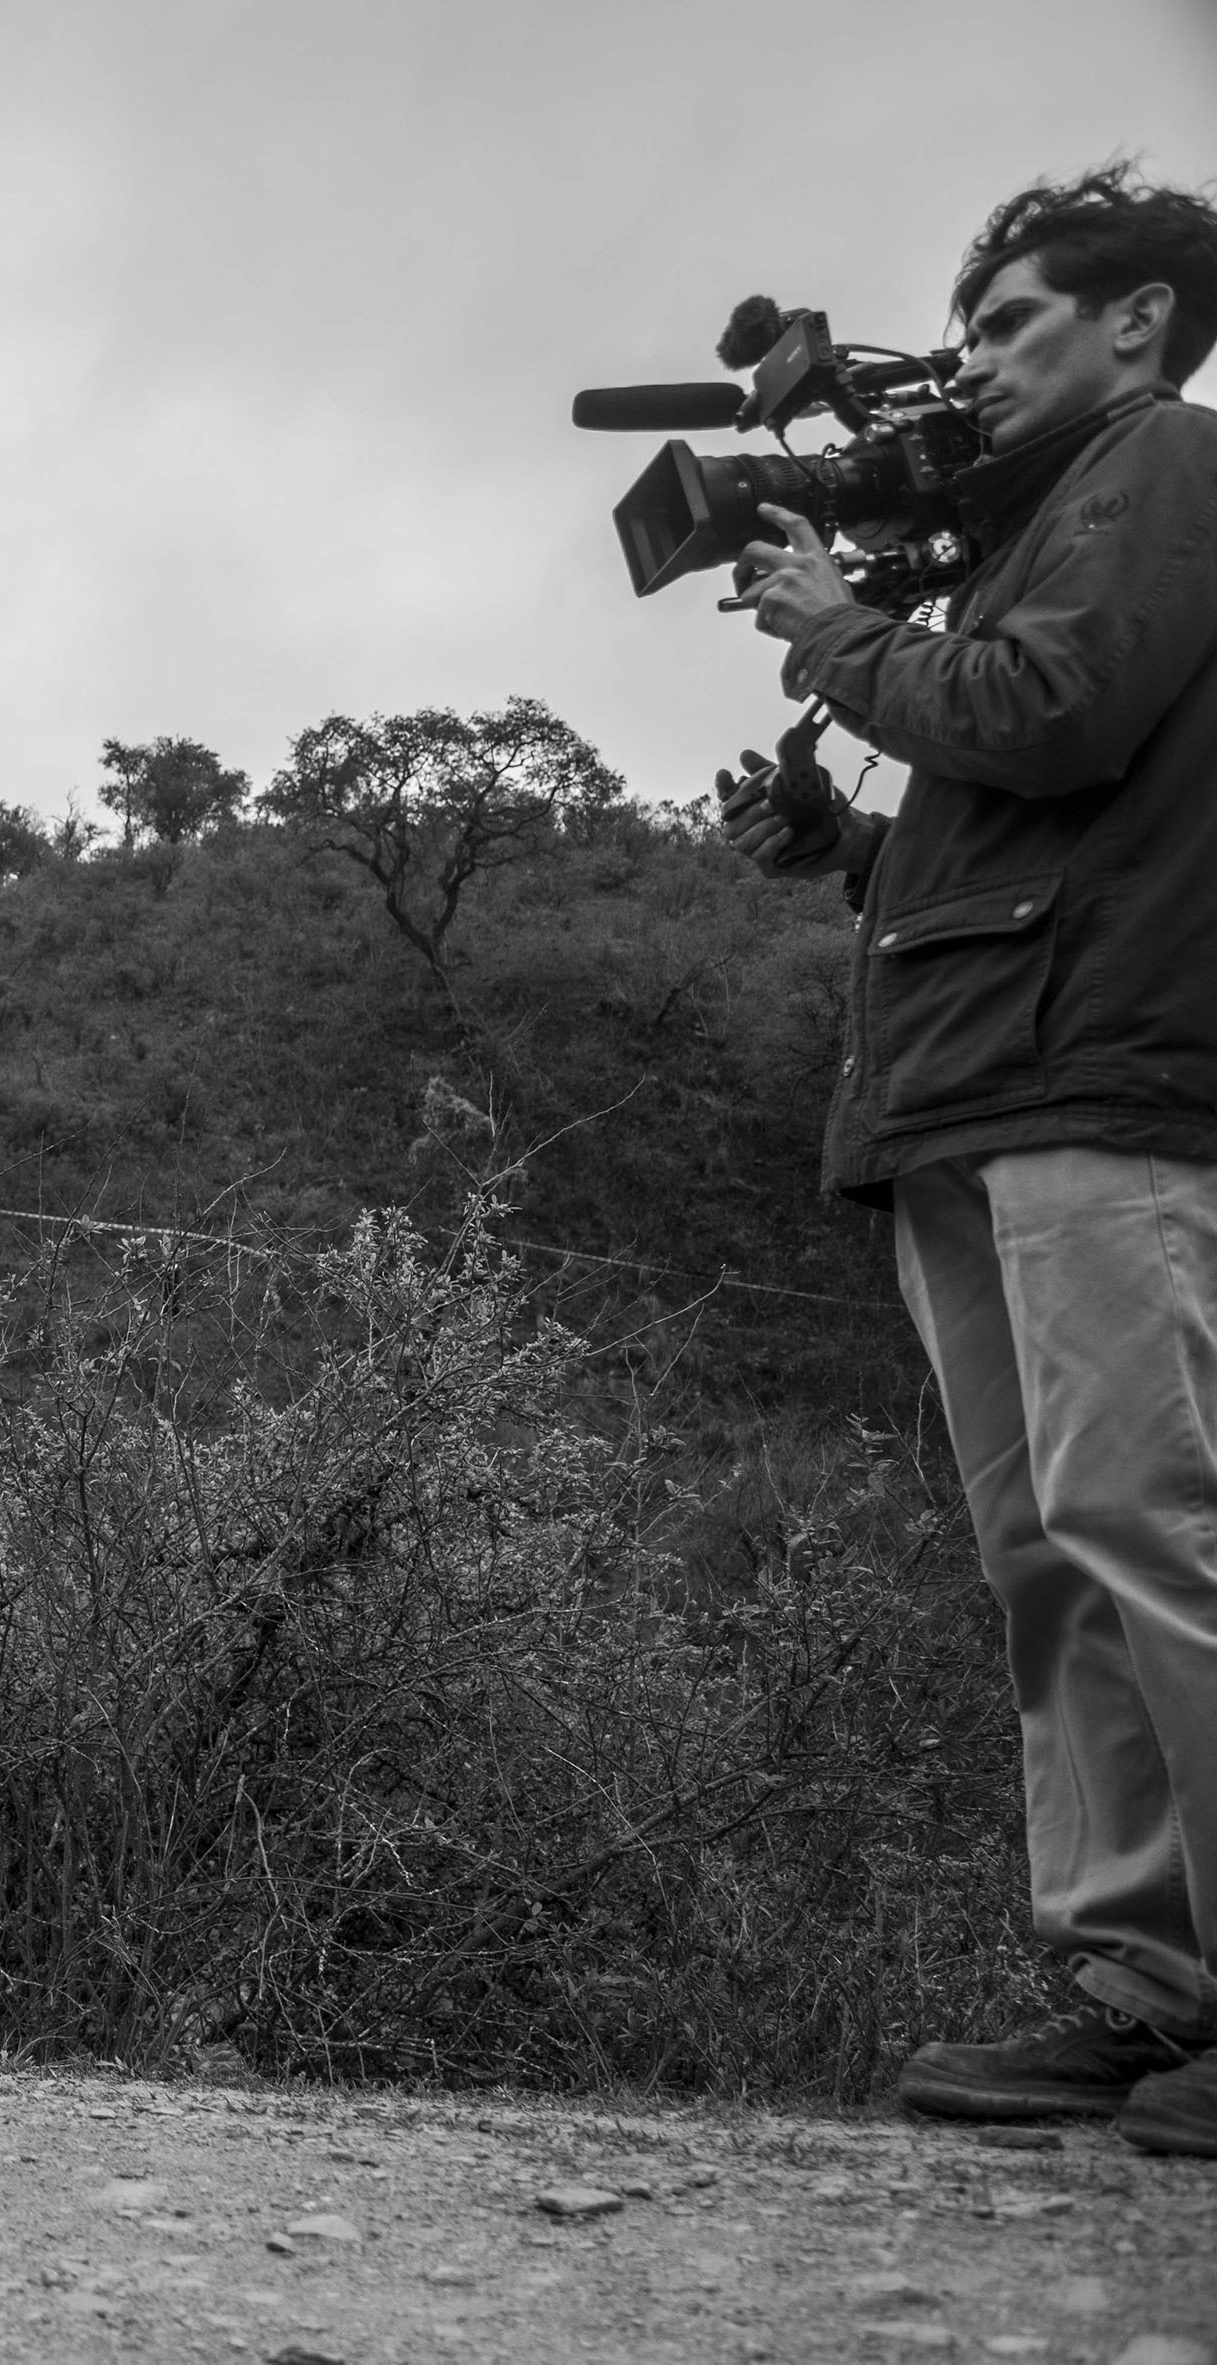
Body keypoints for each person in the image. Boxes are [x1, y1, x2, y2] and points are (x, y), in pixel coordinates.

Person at [719, 166, 1217, 2157]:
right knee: (1047, 1556)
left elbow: (1055, 711)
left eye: (1018, 320)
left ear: (1135, 326)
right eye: (977, 323)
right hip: (969, 1083)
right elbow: (1025, 827)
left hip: (1096, 1085)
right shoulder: (1038, 526)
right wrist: (847, 851)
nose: (986, 356)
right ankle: (1139, 1986)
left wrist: (838, 641)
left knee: (1150, 1524)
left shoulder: (1163, 466)